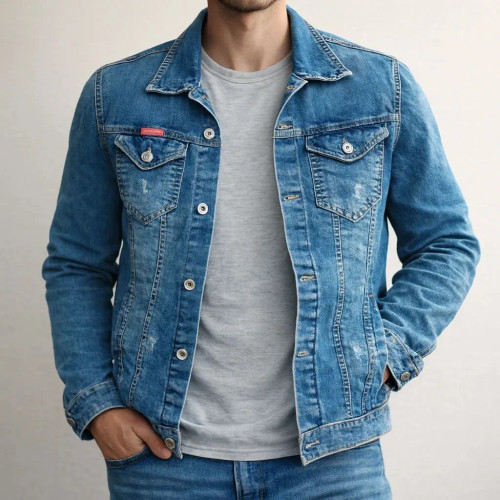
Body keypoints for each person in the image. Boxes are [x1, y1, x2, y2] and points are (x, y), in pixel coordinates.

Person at [41, 0, 481, 498]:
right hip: (165, 463)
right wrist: (97, 403)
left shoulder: (379, 89)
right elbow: (76, 264)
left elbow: (446, 243)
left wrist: (384, 353)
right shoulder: (117, 95)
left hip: (334, 462)